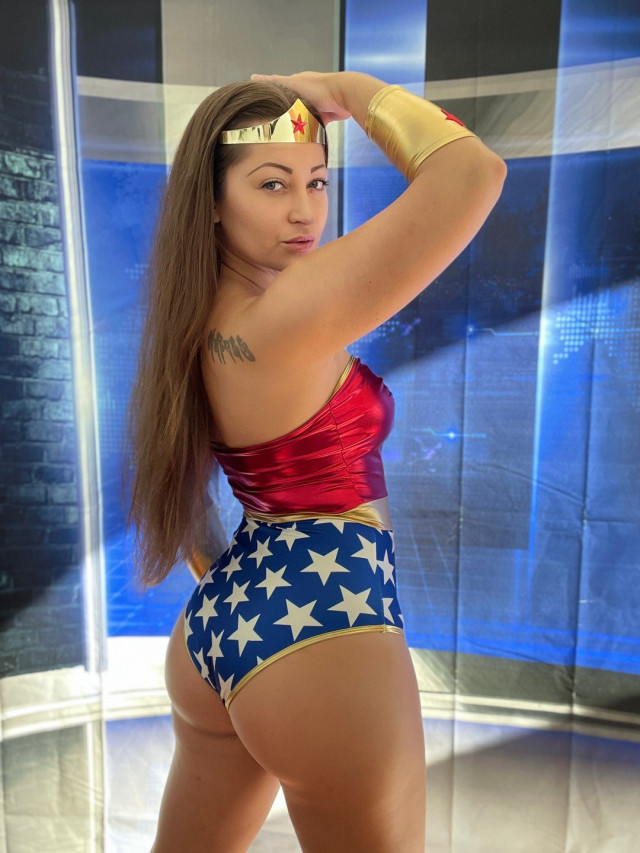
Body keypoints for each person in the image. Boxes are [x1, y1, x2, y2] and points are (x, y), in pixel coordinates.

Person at [127, 70, 506, 853]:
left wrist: (248, 601)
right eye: (272, 183)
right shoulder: (285, 312)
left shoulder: (197, 319)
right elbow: (473, 172)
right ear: (213, 199)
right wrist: (346, 89)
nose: (304, 210)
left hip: (221, 621)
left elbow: (190, 497)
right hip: (327, 629)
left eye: (318, 181)